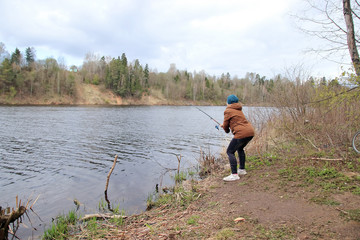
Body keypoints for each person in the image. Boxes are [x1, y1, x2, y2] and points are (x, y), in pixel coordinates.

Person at [220, 94, 255, 181]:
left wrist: (225, 128)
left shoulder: (228, 110)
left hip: (241, 133)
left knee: (230, 152)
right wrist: (225, 126)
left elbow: (226, 126)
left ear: (228, 102)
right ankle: (242, 170)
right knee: (240, 149)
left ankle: (234, 175)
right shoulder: (238, 109)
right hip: (250, 132)